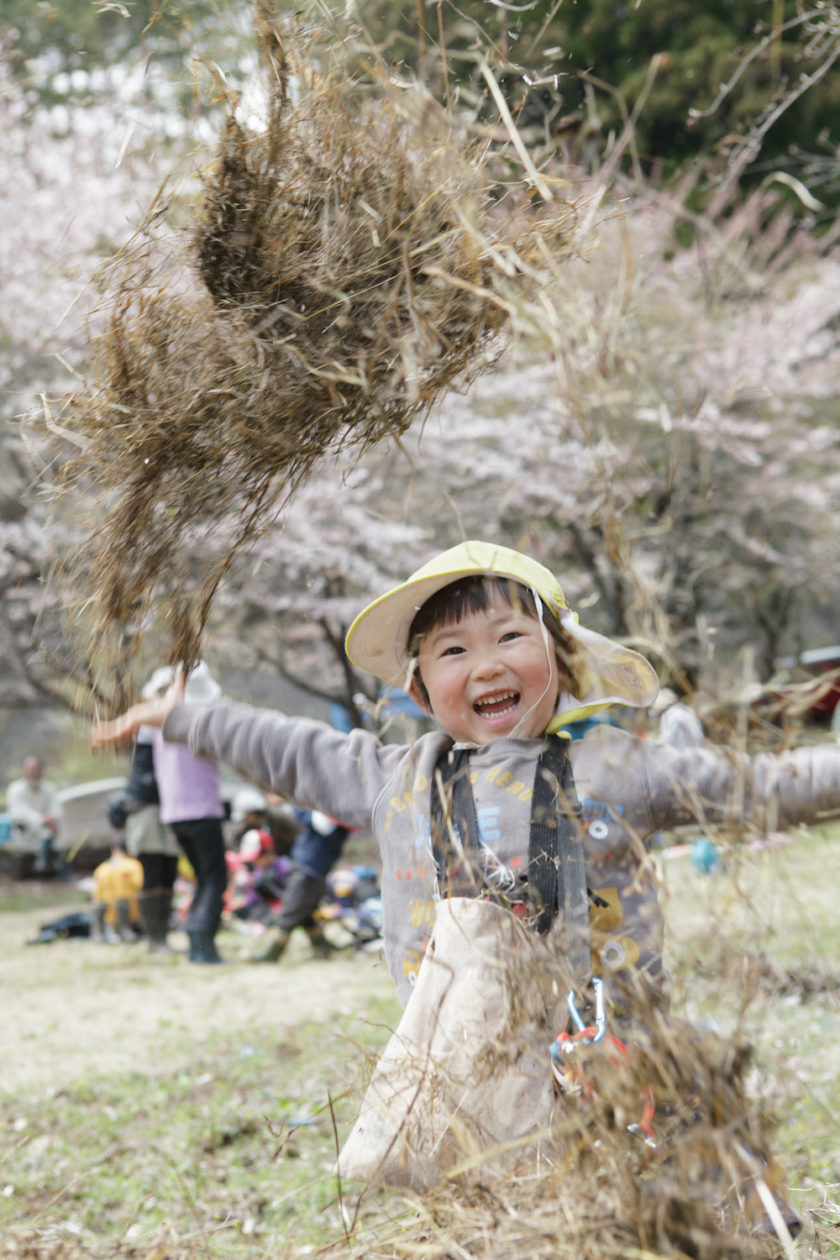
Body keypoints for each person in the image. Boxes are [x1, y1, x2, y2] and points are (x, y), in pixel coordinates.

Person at [91, 539, 840, 1192]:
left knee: (645, 1207)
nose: (486, 665)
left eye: (510, 636)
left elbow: (764, 786)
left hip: (612, 1072)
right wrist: (183, 717)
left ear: (563, 660)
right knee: (489, 1216)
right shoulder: (397, 781)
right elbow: (290, 749)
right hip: (462, 1078)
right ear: (418, 689)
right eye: (453, 651)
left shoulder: (621, 768)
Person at [144, 662, 229, 965]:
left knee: (205, 878)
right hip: (201, 809)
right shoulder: (199, 721)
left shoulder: (158, 725)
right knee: (215, 879)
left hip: (174, 812)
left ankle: (196, 939)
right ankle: (202, 942)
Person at [110, 708, 181, 953]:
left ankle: (163, 936)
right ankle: (155, 939)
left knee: (169, 872)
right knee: (152, 873)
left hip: (170, 811)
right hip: (145, 811)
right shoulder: (146, 732)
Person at [250, 808, 353, 961]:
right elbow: (303, 813)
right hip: (307, 864)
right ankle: (322, 948)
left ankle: (273, 953)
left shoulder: (337, 812)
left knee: (292, 910)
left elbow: (323, 824)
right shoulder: (320, 810)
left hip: (311, 868)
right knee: (305, 911)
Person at [5, 756, 66, 877]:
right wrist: (42, 819)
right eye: (31, 769)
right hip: (24, 835)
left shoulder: (49, 789)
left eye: (37, 769)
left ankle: (54, 867)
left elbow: (57, 810)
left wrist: (50, 819)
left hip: (49, 833)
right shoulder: (15, 789)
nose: (34, 773)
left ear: (42, 770)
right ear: (25, 771)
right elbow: (19, 813)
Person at [90, 841, 144, 943]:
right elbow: (140, 887)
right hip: (132, 916)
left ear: (113, 850)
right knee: (119, 901)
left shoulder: (102, 868)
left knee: (99, 903)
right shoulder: (134, 865)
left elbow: (95, 893)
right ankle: (122, 932)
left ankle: (99, 933)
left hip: (110, 918)